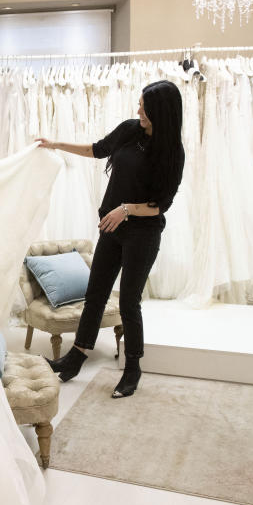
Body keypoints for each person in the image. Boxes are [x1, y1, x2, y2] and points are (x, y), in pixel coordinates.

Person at [35, 80, 185, 398]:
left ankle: (133, 368)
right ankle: (75, 358)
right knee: (96, 295)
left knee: (129, 301)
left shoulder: (172, 152)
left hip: (143, 235)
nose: (138, 109)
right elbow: (97, 149)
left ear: (159, 111)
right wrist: (55, 144)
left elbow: (161, 205)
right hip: (111, 228)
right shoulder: (130, 130)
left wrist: (126, 210)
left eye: (143, 105)